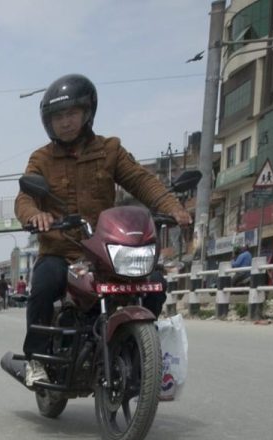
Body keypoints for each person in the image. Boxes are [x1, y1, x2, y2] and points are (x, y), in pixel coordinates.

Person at [11, 75, 191, 386]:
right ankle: (36, 359)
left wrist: (172, 207)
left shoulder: (110, 150)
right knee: (44, 284)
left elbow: (142, 181)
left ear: (87, 114)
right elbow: (25, 197)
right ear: (48, 122)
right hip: (61, 250)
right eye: (58, 117)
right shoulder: (41, 159)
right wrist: (35, 215)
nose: (65, 123)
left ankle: (140, 353)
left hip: (106, 250)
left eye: (71, 114)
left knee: (155, 283)